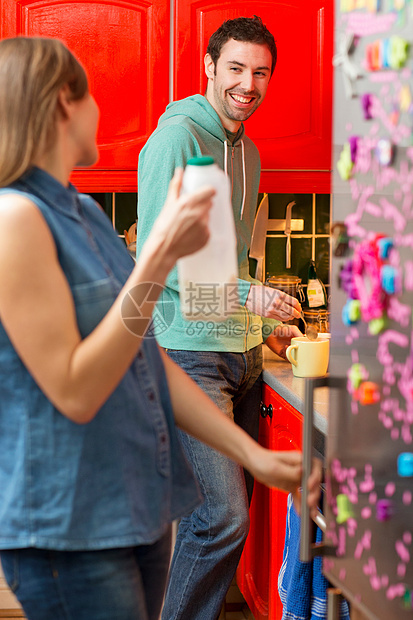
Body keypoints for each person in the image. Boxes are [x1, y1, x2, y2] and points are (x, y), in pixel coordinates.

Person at [0, 37, 322, 620]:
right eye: (90, 94)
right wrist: (158, 257)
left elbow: (138, 349)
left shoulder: (83, 213)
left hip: (121, 510)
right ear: (61, 106)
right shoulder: (17, 219)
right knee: (217, 522)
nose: (104, 108)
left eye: (261, 72)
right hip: (65, 517)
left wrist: (253, 454)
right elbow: (75, 389)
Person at [136, 15, 305, 620]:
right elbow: (165, 264)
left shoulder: (248, 153)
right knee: (221, 517)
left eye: (260, 73)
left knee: (238, 518)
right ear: (209, 68)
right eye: (235, 68)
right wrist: (252, 299)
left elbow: (222, 264)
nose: (248, 84)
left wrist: (263, 322)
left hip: (242, 357)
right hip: (189, 353)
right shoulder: (177, 139)